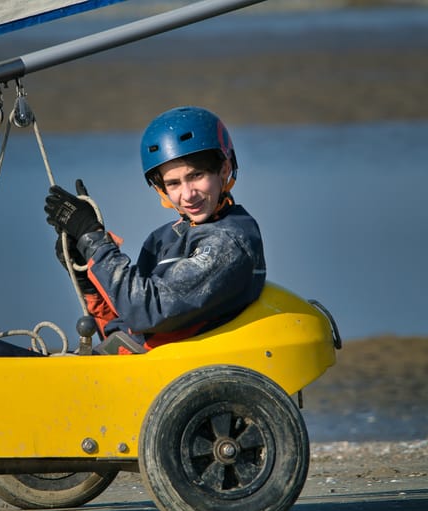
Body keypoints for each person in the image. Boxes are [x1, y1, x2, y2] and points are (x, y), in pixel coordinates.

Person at [44, 106, 266, 353]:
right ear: (161, 189)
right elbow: (125, 325)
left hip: (163, 369)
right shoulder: (165, 237)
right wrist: (87, 277)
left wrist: (93, 239)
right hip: (128, 363)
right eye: (173, 183)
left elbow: (145, 310)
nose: (187, 194)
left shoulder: (228, 242)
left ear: (223, 170)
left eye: (196, 175)